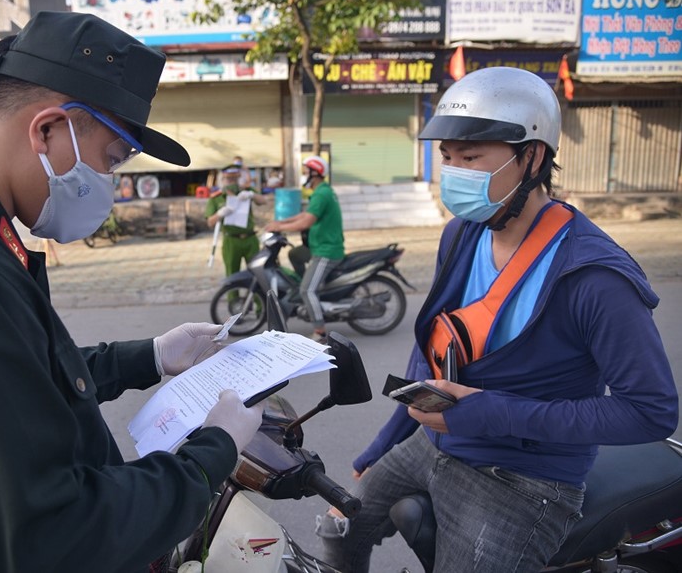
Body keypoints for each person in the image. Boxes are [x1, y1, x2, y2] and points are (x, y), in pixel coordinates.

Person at [0, 12, 263, 572]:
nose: (108, 183)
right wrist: (213, 453)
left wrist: (151, 355)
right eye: (111, 160)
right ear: (47, 129)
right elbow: (54, 539)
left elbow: (15, 380)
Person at [316, 67, 678, 572]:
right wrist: (382, 445)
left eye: (471, 156)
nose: (454, 171)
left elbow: (651, 412)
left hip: (525, 478)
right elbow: (434, 354)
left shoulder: (595, 276)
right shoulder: (462, 234)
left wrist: (487, 412)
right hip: (434, 441)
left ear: (530, 156)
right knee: (337, 528)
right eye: (447, 157)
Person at [265, 155, 344, 342]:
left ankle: (320, 330)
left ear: (315, 173)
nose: (304, 174)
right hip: (317, 245)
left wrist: (280, 228)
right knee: (295, 254)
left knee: (306, 290)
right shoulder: (321, 191)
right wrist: (280, 222)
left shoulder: (322, 193)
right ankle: (308, 285)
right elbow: (305, 214)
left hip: (327, 250)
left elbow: (306, 222)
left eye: (307, 171)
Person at [204, 162, 266, 278]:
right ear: (223, 179)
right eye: (229, 179)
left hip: (250, 238)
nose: (232, 181)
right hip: (231, 240)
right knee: (232, 274)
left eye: (234, 178)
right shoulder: (216, 198)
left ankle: (258, 296)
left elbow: (263, 201)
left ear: (238, 178)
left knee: (257, 274)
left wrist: (252, 195)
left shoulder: (245, 191)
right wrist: (219, 214)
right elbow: (210, 222)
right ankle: (234, 296)